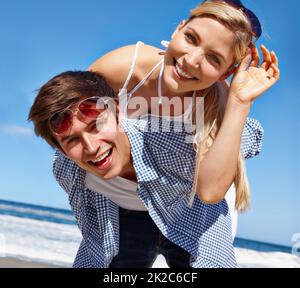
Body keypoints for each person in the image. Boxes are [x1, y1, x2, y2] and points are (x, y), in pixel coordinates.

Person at [54, 0, 279, 236]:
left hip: (193, 207)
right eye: (191, 38)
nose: (191, 60)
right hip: (131, 200)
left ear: (225, 73)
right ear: (178, 30)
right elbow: (69, 118)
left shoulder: (219, 102)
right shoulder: (125, 68)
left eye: (214, 59)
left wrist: (239, 102)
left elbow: (210, 192)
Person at [29, 70, 239, 268]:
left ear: (118, 113)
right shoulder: (66, 170)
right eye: (72, 140)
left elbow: (251, 133)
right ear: (61, 151)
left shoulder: (165, 139)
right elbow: (94, 240)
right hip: (128, 218)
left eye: (97, 125)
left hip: (191, 210)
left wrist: (239, 102)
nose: (92, 148)